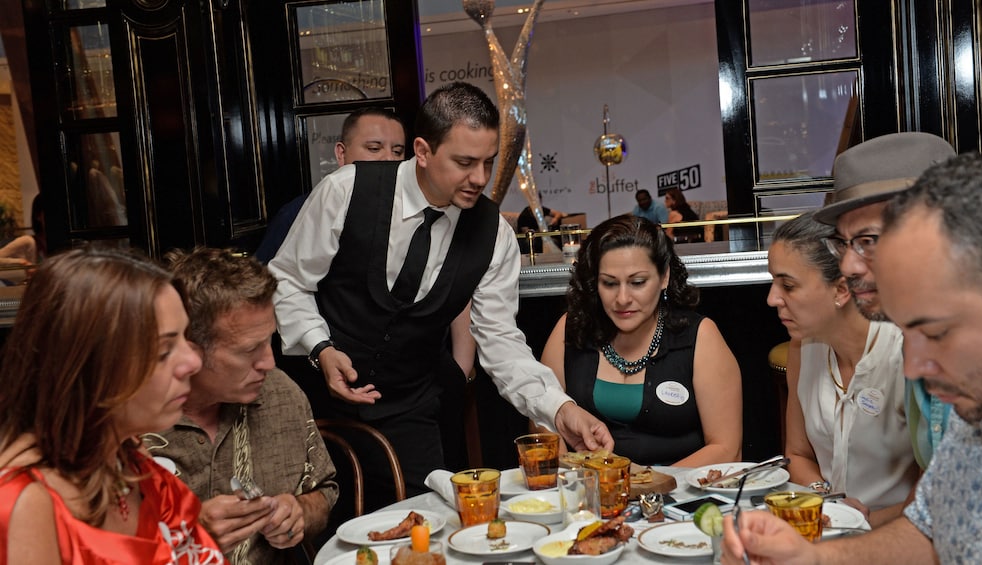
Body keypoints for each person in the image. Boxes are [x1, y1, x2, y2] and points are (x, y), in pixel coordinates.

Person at [268, 81, 613, 501]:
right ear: (423, 151)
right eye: (465, 162)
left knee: (427, 527)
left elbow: (501, 342)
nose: (480, 179)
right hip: (313, 402)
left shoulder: (494, 236)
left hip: (409, 408)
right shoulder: (346, 191)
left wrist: (562, 410)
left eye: (487, 162)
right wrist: (320, 347)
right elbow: (287, 280)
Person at [723, 152, 982, 565]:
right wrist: (812, 558)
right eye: (845, 243)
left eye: (936, 332)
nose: (913, 368)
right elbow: (928, 528)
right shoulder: (975, 417)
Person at [0, 247, 225, 564]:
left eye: (185, 339)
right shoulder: (23, 504)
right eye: (163, 350)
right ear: (89, 370)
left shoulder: (128, 459)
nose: (192, 361)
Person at [145, 248, 339, 565]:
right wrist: (187, 536)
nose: (269, 362)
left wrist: (299, 511)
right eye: (249, 349)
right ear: (190, 349)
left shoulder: (280, 393)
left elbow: (324, 491)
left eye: (269, 340)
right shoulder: (130, 423)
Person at [539, 215, 741, 466]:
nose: (622, 298)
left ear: (664, 277)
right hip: (589, 496)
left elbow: (727, 449)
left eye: (637, 282)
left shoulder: (701, 337)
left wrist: (647, 484)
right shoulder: (570, 330)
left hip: (682, 497)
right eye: (609, 283)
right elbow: (544, 427)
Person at [814, 132, 956, 471]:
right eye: (844, 243)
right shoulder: (915, 341)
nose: (847, 266)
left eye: (868, 240)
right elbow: (938, 504)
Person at [767, 212, 917, 524]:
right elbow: (798, 454)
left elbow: (935, 488)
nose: (772, 299)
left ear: (841, 291)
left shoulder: (906, 352)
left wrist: (859, 522)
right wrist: (826, 499)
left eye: (788, 285)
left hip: (902, 534)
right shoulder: (802, 346)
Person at [254, 107, 407, 264]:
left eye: (397, 151)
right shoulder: (298, 213)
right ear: (341, 154)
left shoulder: (412, 210)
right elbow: (265, 281)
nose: (389, 159)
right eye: (374, 149)